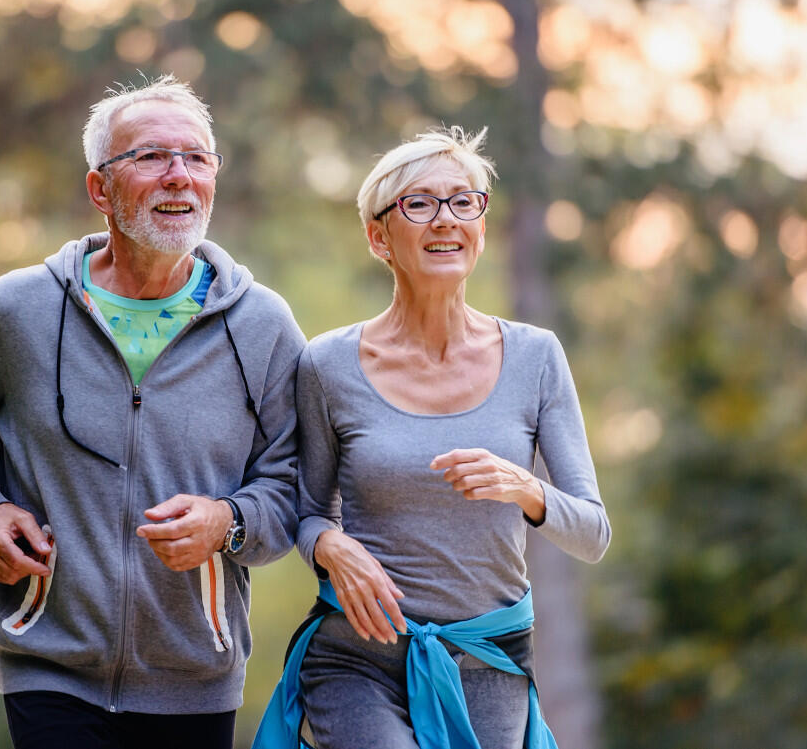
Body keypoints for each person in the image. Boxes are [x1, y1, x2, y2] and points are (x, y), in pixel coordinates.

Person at [0, 75, 305, 749]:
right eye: (150, 156)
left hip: (195, 672)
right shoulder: (17, 310)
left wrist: (228, 521)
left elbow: (299, 480)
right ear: (100, 190)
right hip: (47, 663)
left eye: (197, 158)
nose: (179, 175)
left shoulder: (261, 325)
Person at [254, 127, 611, 749]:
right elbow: (307, 514)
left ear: (481, 223)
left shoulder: (536, 357)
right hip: (356, 656)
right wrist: (331, 548)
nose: (445, 220)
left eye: (463, 201)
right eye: (419, 204)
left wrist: (527, 489)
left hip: (487, 657)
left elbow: (593, 533)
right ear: (378, 235)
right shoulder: (326, 363)